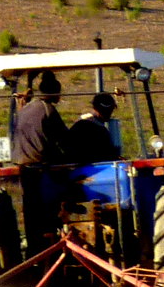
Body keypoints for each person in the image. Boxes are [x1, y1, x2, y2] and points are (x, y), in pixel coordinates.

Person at [12, 73, 70, 255]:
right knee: (61, 201)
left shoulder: (25, 110)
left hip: (24, 167)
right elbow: (65, 139)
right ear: (55, 93)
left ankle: (34, 251)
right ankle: (60, 233)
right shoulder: (48, 110)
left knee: (31, 211)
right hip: (43, 167)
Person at [62, 92, 120, 164]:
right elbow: (106, 155)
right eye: (110, 110)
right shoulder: (97, 129)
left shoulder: (82, 121)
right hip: (90, 168)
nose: (111, 113)